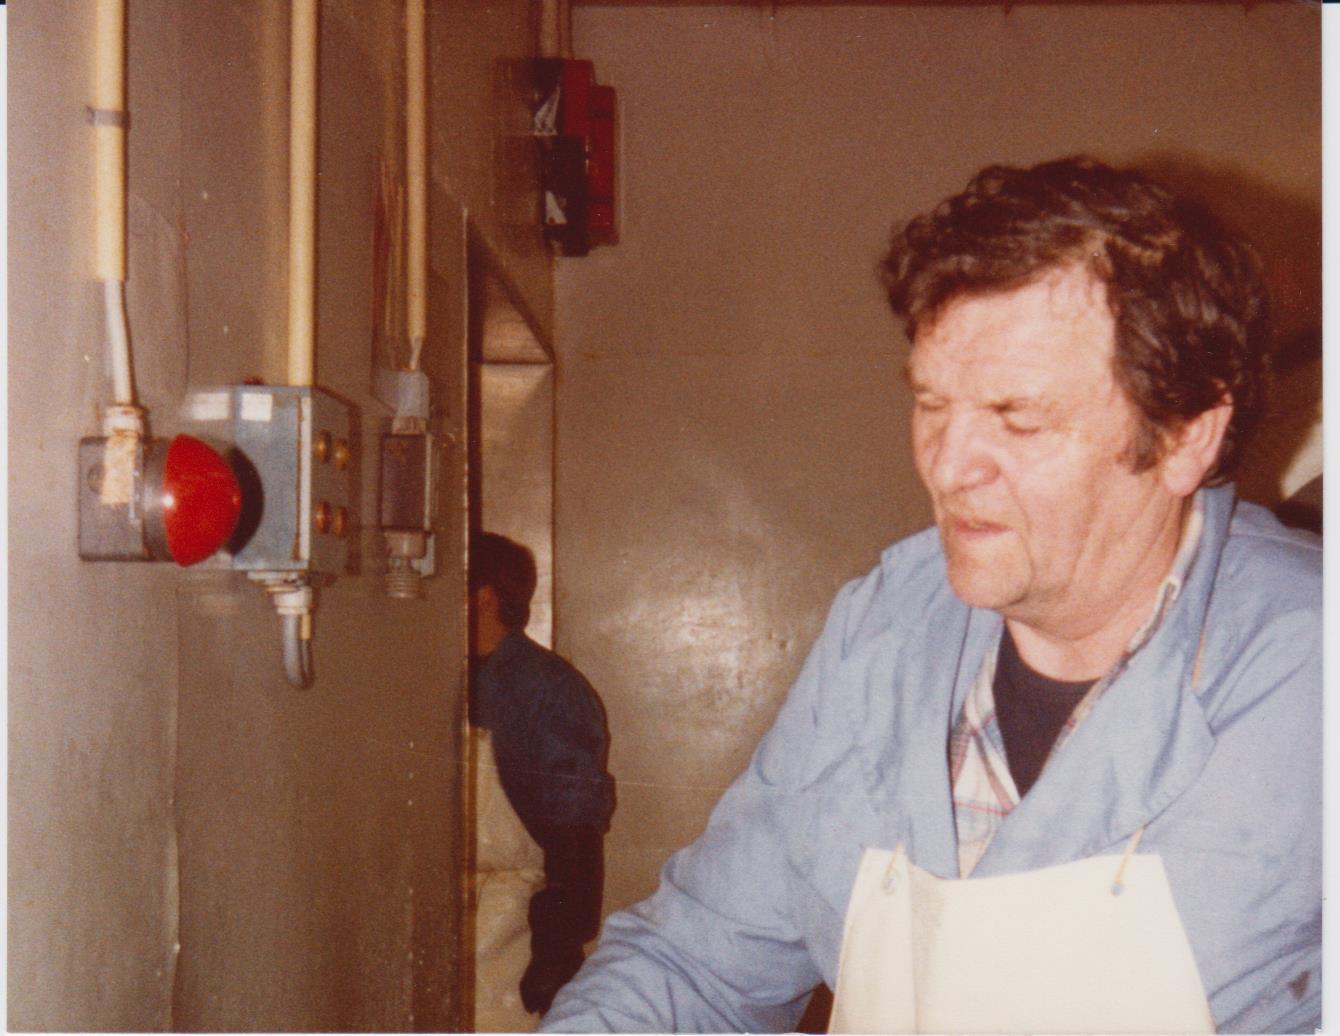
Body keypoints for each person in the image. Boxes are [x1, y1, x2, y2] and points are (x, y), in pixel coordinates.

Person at [541, 158, 1321, 1033]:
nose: (948, 467)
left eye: (1017, 418)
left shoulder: (1306, 675)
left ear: (1186, 436)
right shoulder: (885, 629)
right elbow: (696, 966)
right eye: (932, 405)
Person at [469, 531, 616, 1016]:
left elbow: (576, 829)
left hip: (512, 934)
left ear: (483, 597)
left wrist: (557, 947)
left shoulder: (550, 688)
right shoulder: (441, 678)